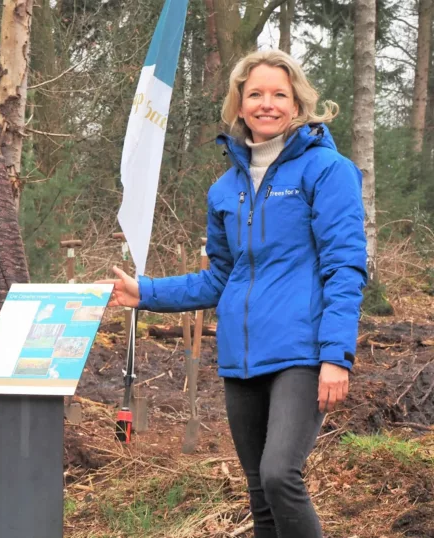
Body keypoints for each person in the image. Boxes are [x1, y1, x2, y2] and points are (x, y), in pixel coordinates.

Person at [103, 50, 367, 538]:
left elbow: (344, 268)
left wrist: (337, 355)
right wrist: (145, 292)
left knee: (279, 474)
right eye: (256, 95)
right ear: (239, 105)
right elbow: (218, 278)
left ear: (298, 103)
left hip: (301, 352)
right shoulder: (225, 189)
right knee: (259, 493)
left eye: (279, 95)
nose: (267, 104)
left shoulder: (327, 170)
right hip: (241, 357)